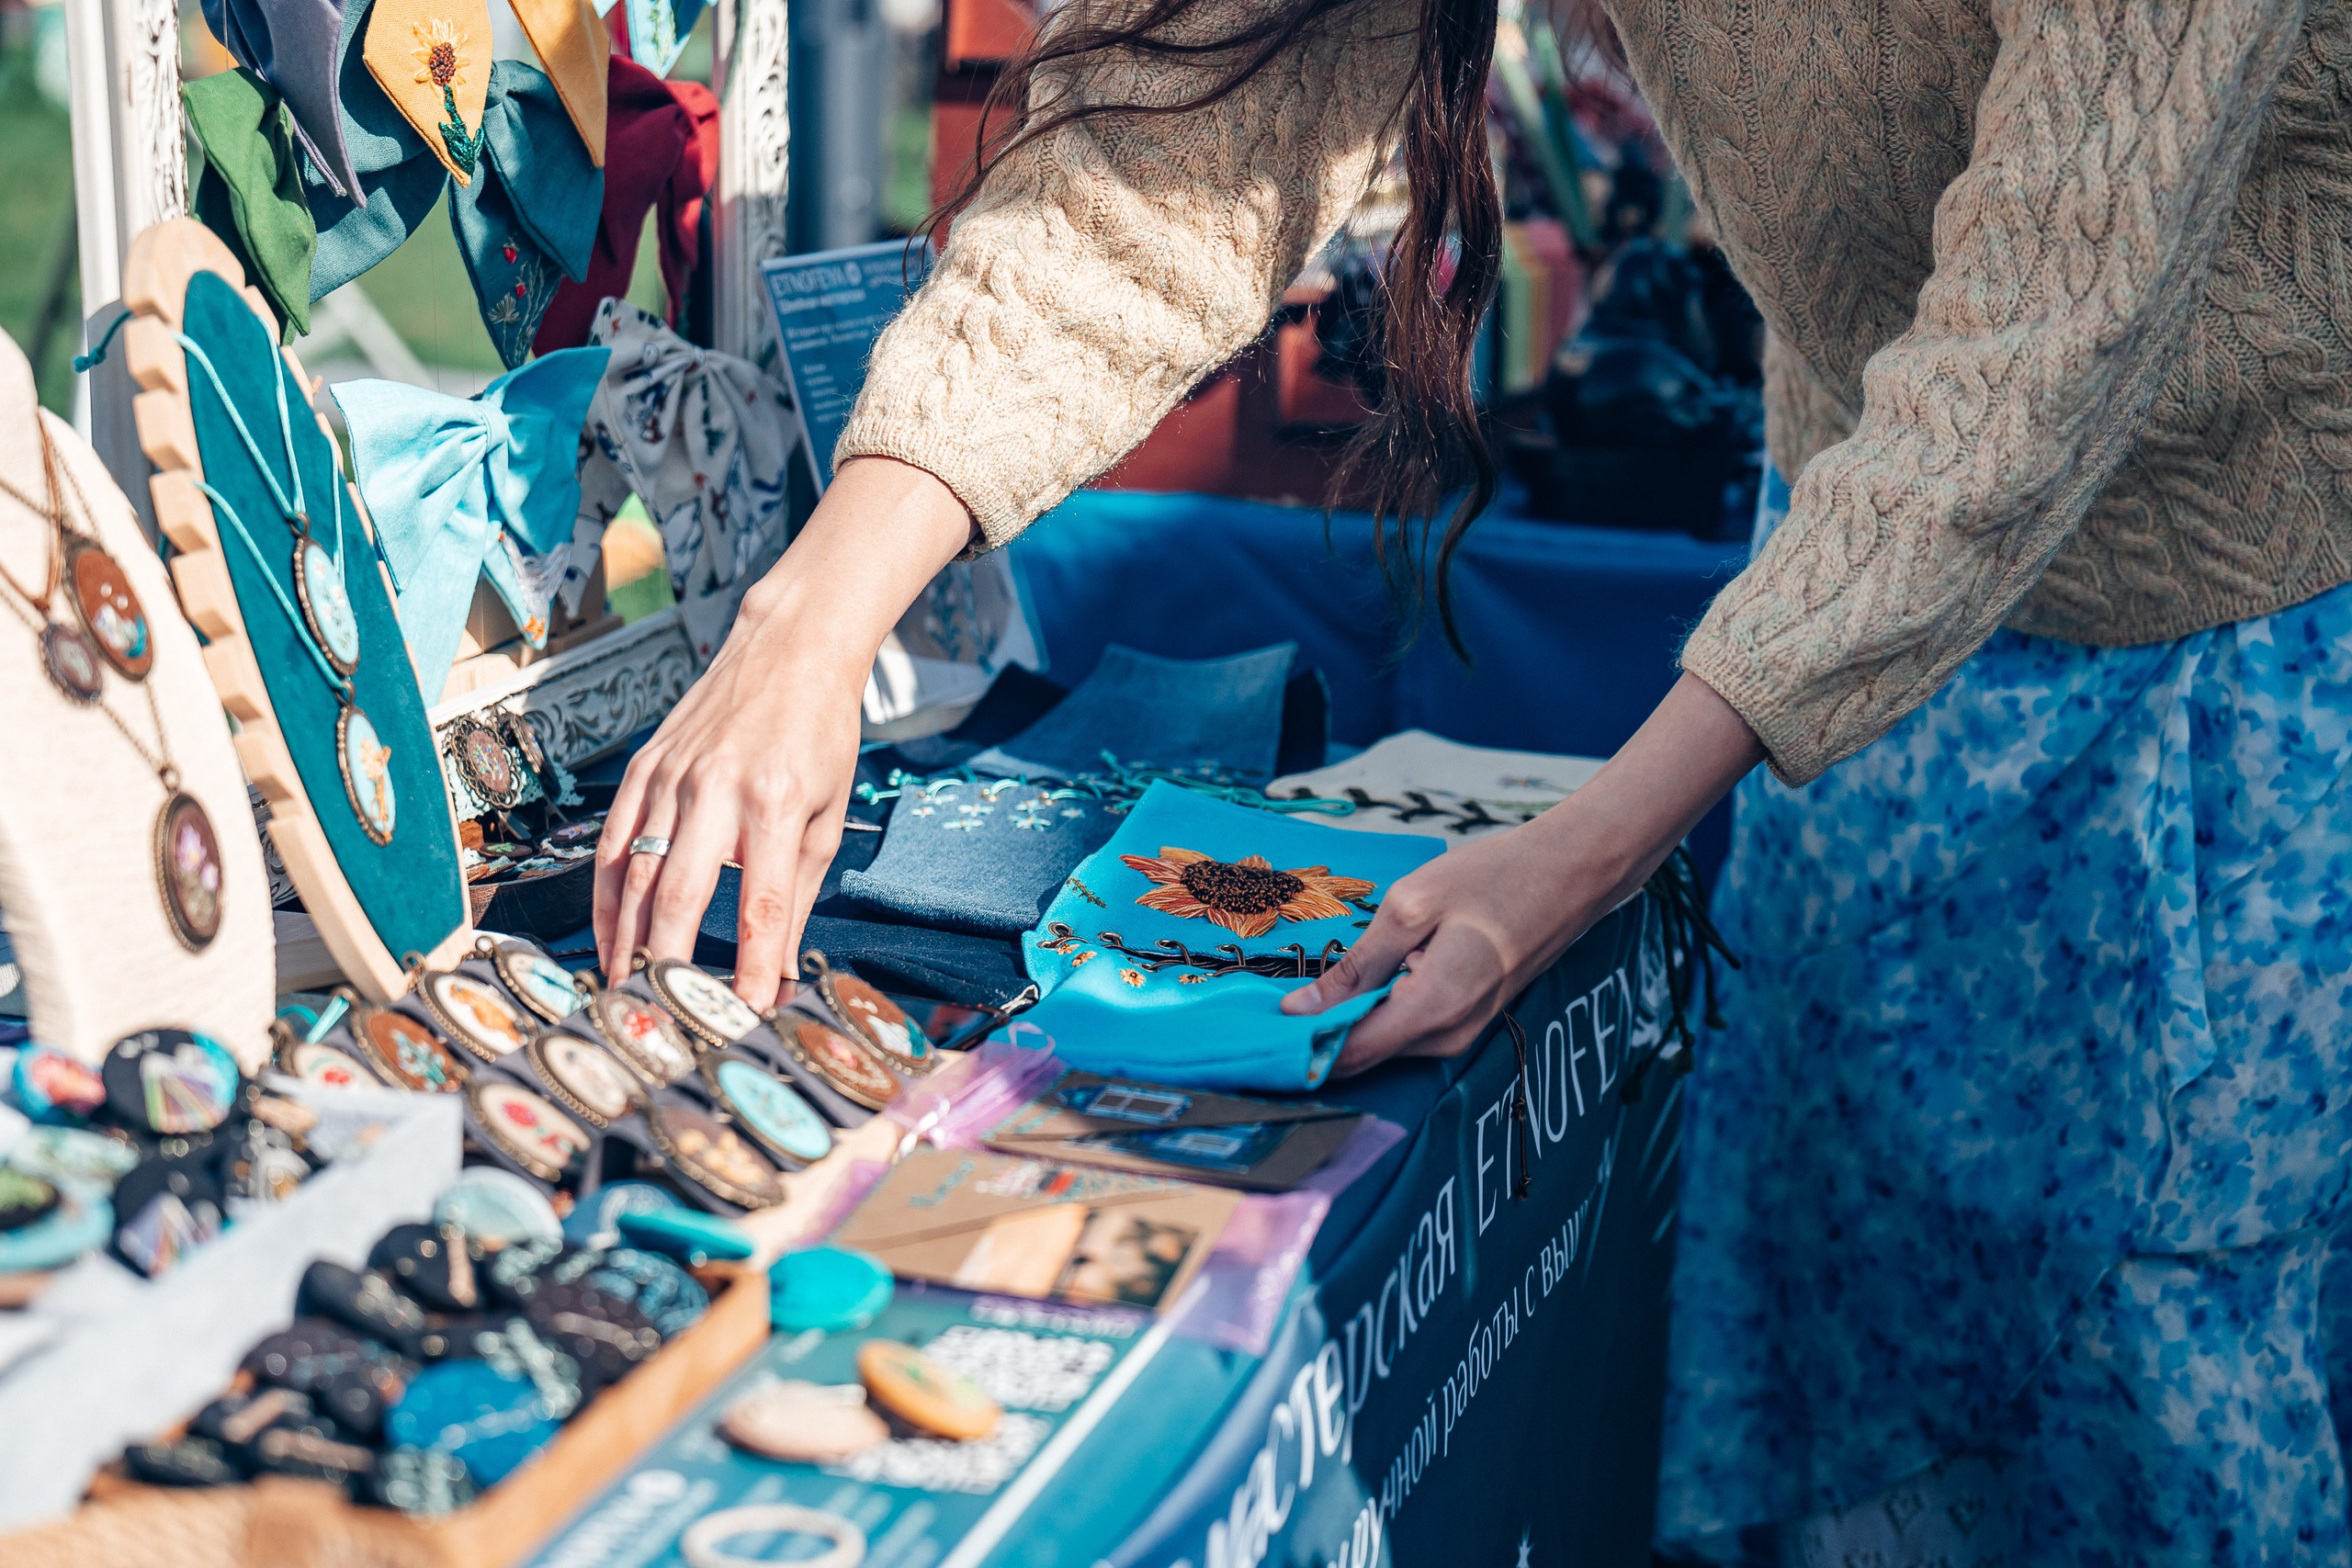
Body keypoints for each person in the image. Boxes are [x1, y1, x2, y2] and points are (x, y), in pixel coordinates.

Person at [595, 0, 2352, 1559]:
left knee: (2161, 1395)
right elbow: (1184, 151)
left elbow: (2045, 335)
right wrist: (814, 615)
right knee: (1841, 1357)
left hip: (2234, 658)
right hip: (1852, 634)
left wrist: (1574, 857)